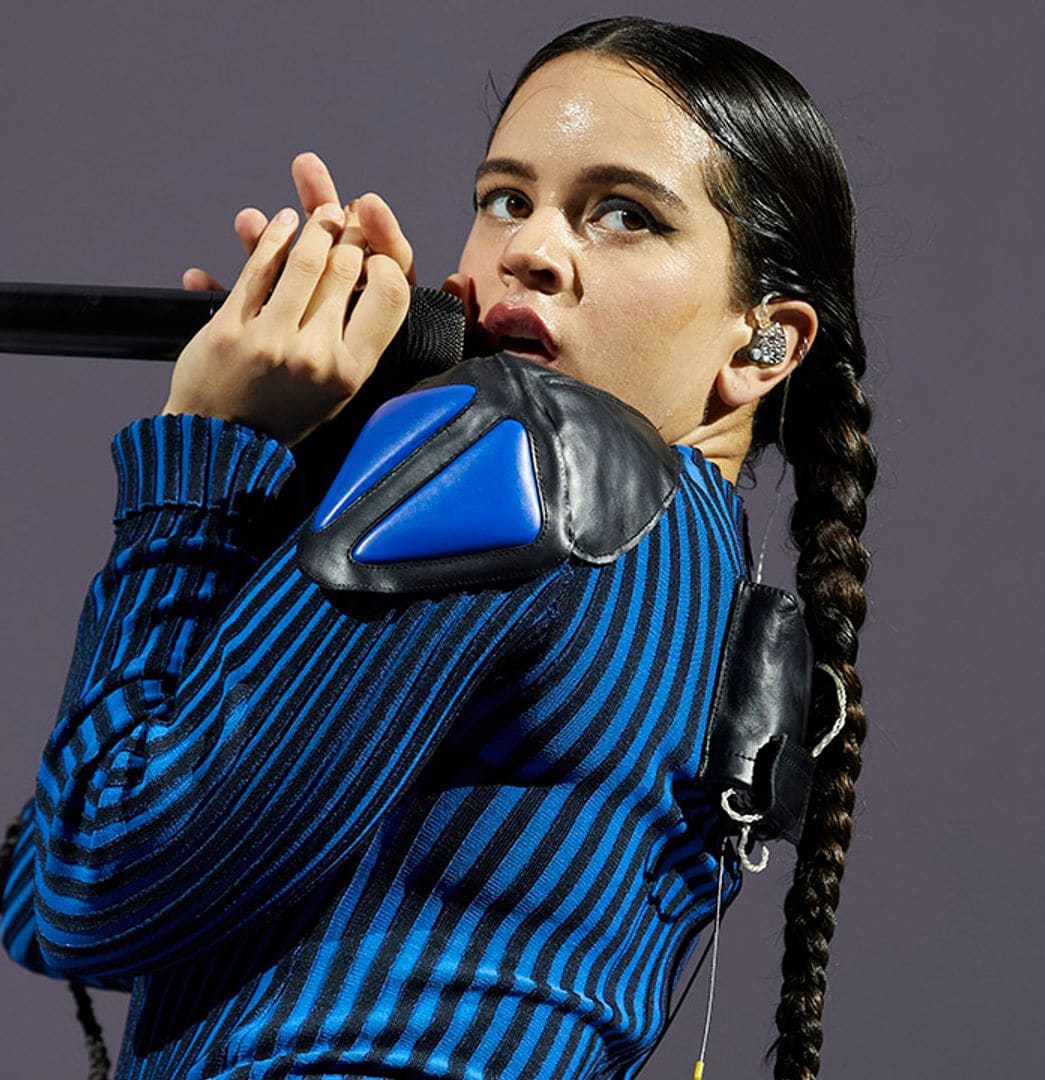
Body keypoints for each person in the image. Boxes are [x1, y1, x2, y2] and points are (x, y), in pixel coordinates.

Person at [0, 15, 875, 1080]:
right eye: (507, 199)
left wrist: (214, 453)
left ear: (765, 339)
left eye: (624, 215)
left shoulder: (525, 454)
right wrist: (327, 482)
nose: (530, 251)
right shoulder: (716, 587)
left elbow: (87, 881)